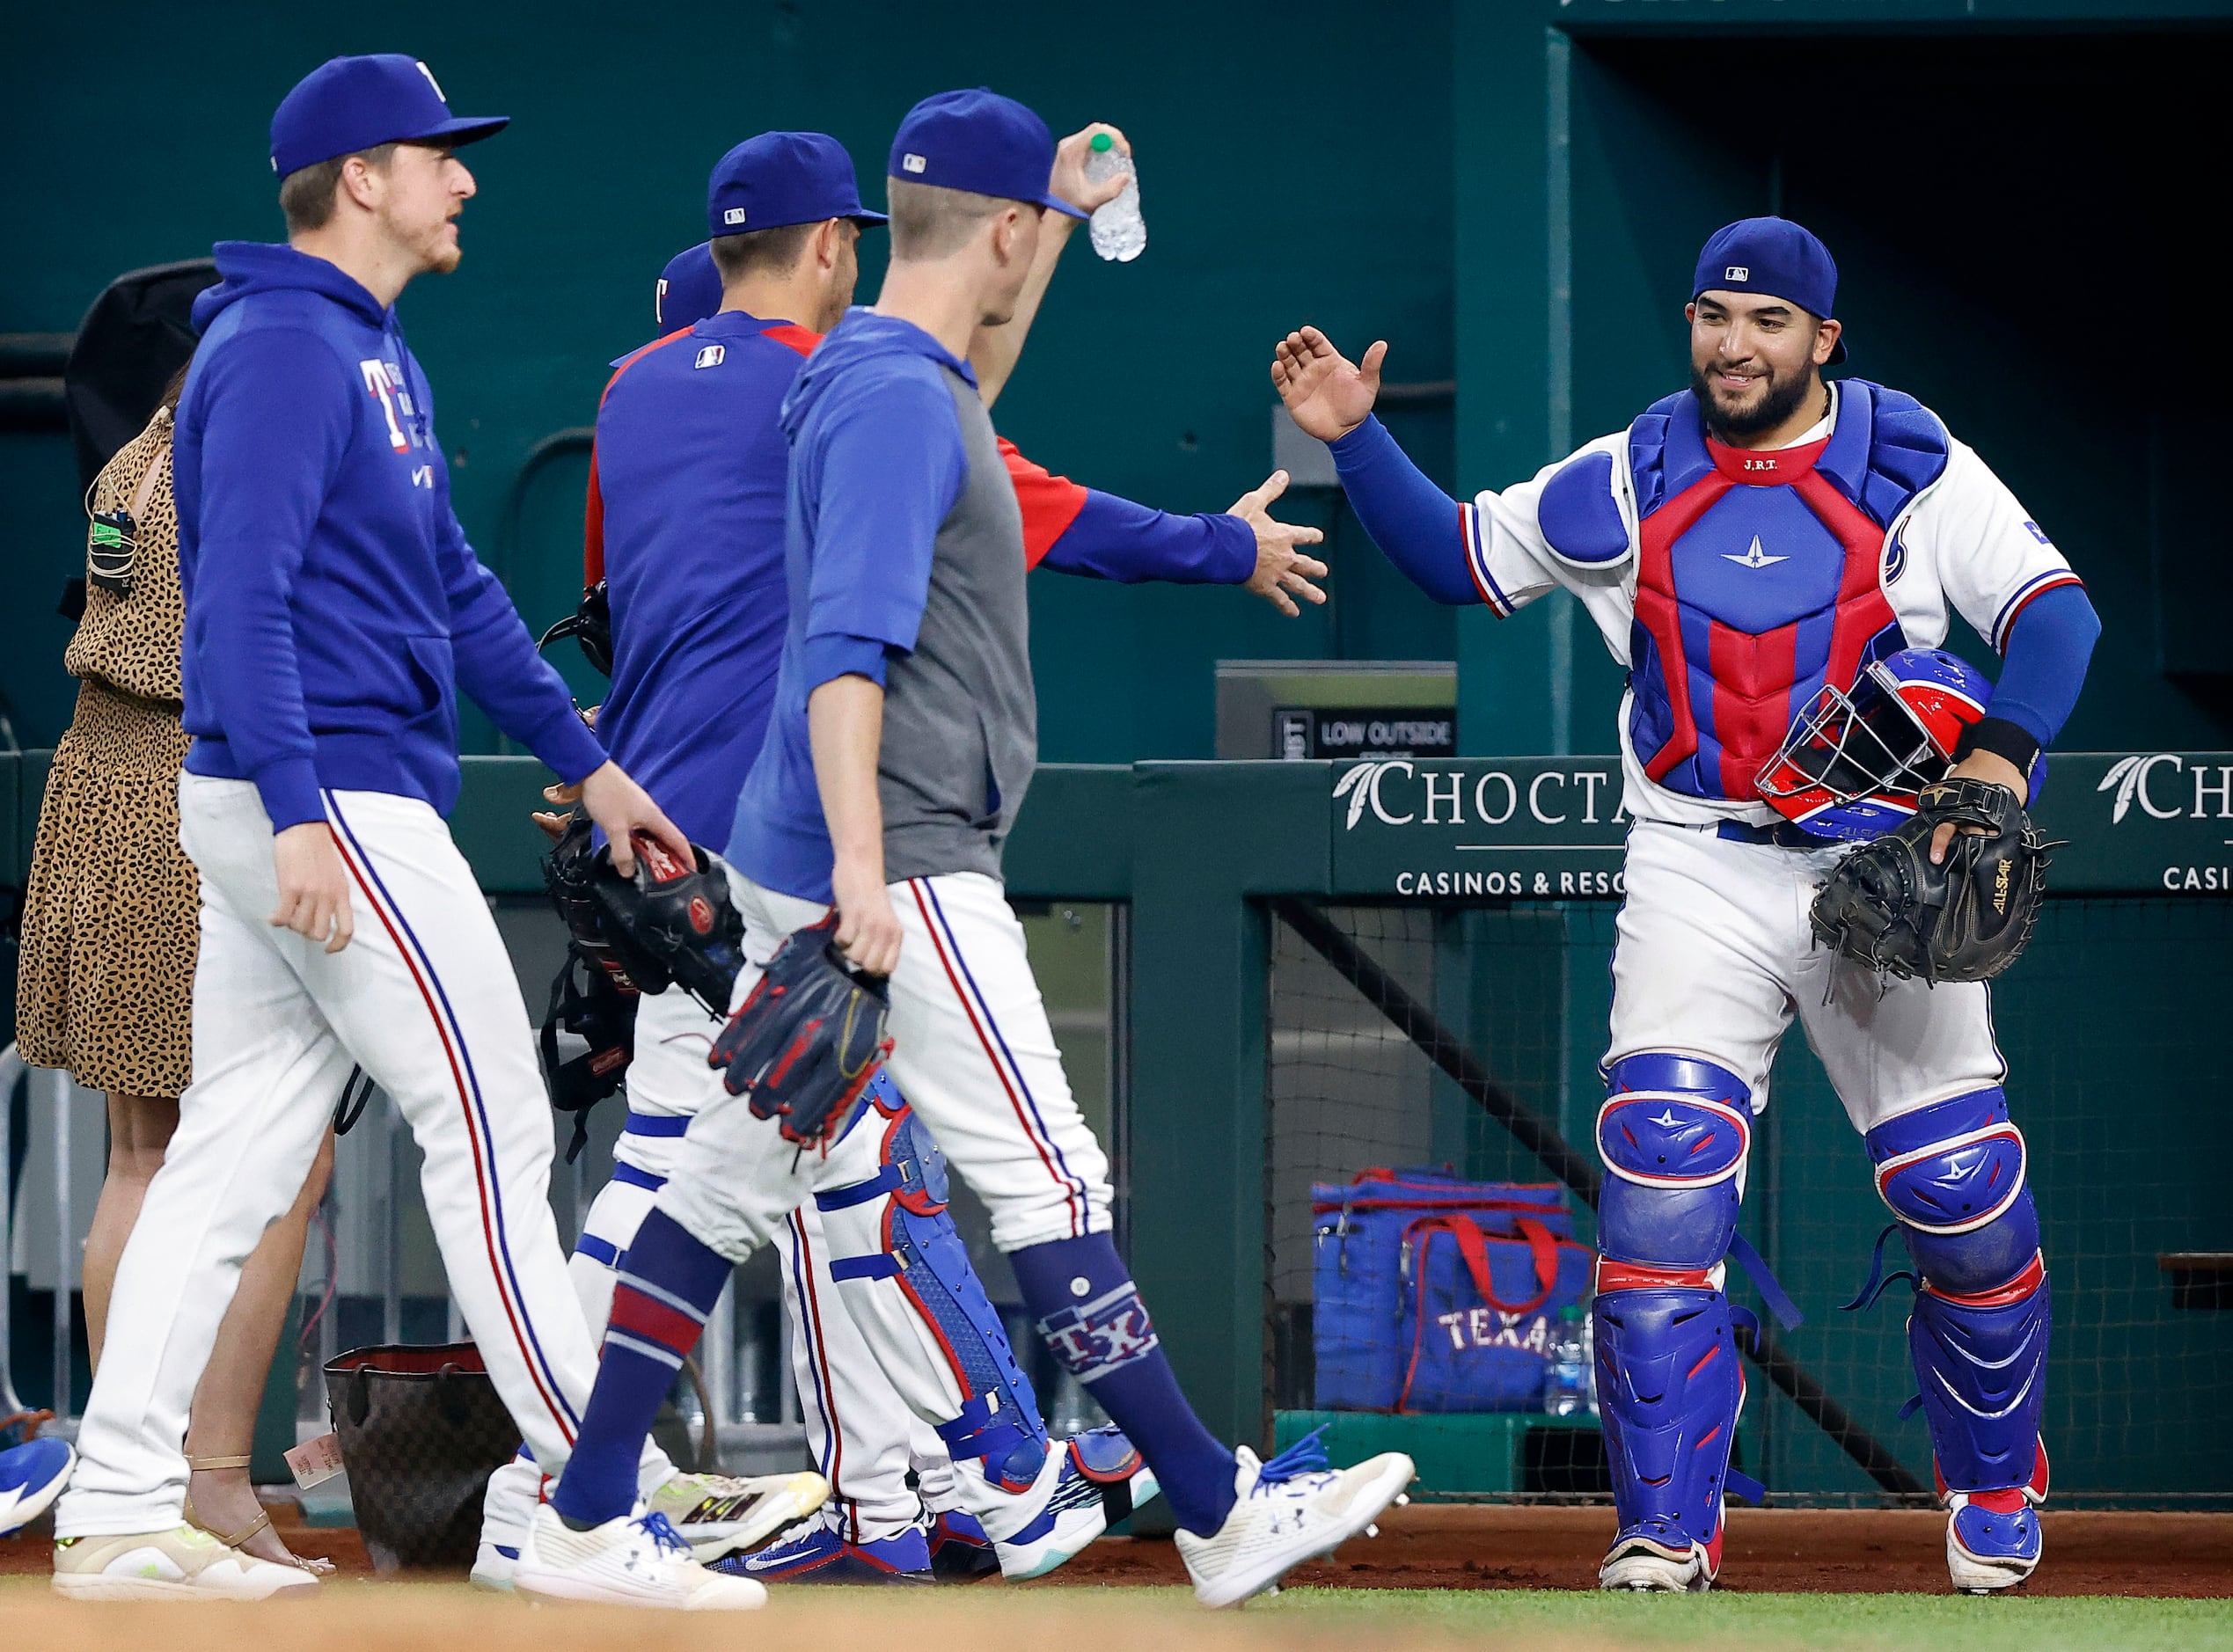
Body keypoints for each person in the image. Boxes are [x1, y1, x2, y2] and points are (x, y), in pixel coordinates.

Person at [512, 89, 1414, 1613]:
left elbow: (966, 363)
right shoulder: (880, 396)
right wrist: (864, 876)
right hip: (902, 858)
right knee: (1047, 1177)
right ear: (992, 233)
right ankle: (1210, 1506)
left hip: (815, 846)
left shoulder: (873, 367)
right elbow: (850, 650)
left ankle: (584, 1513)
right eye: (1021, 235)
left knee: (723, 1179)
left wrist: (1049, 218)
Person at [1270, 216, 2099, 1594]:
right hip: (1693, 860)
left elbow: (2054, 615)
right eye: (1715, 316)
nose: (1733, 343)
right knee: (1658, 1188)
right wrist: (1356, 438)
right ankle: (1664, 1527)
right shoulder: (1634, 470)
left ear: (1820, 340)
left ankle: (1997, 1490)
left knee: (1961, 1198)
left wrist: (1997, 756)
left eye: (1766, 322)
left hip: (1877, 861)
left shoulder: (1909, 461)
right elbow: (1461, 559)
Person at [48, 55, 755, 1607]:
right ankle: (580, 1505)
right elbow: (234, 600)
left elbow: (456, 588)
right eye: (439, 154)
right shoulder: (292, 342)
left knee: (226, 1158)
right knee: (489, 1127)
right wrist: (299, 814)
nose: (466, 177)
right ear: (359, 178)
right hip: (331, 796)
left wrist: (594, 759)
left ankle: (113, 1507)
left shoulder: (364, 345)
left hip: (301, 795)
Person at [16, 375, 336, 1573]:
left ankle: (138, 1475)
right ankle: (198, 1480)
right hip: (187, 790)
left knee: (144, 1152)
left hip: (104, 775)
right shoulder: (234, 461)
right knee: (277, 1152)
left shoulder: (126, 467)